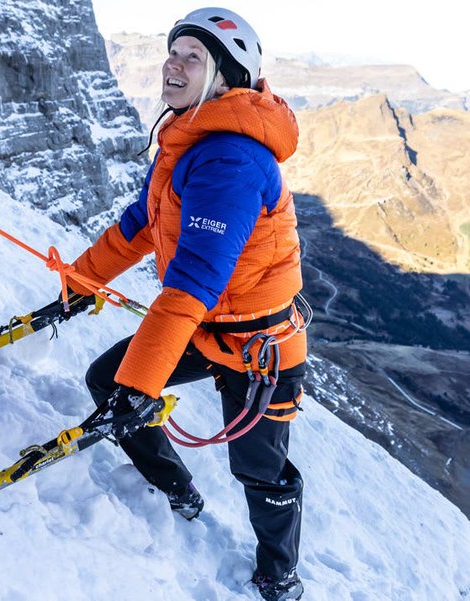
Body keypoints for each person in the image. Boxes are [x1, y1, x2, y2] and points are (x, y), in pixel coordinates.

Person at [68, 7, 308, 601]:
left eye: (191, 57)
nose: (172, 64)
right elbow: (145, 223)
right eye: (172, 52)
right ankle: (178, 489)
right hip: (208, 330)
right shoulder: (188, 133)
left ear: (225, 76)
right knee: (108, 380)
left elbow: (192, 281)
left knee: (260, 469)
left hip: (262, 348)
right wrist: (84, 278)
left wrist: (142, 382)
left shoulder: (231, 157)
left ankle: (281, 576)